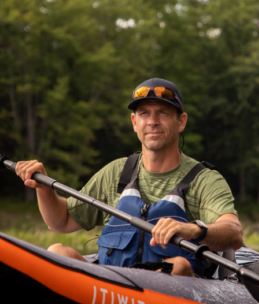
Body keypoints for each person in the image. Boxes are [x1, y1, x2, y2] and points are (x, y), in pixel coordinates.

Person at [15, 78, 242, 277]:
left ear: (181, 121)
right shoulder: (116, 172)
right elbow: (61, 222)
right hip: (112, 286)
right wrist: (43, 186)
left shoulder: (204, 179)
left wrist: (194, 229)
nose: (152, 121)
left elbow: (234, 233)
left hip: (176, 292)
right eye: (144, 113)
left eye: (163, 112)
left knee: (180, 265)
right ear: (135, 122)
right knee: (57, 251)